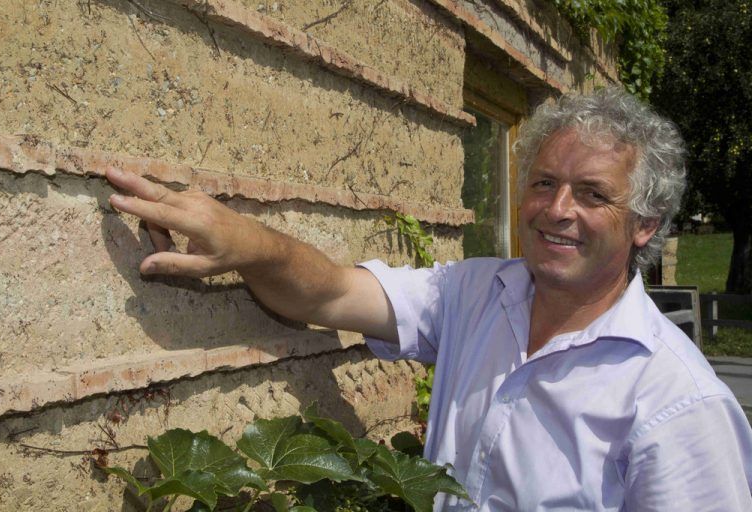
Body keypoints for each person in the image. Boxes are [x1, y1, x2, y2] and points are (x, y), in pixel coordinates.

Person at [106, 87, 752, 510]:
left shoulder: (678, 403)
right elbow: (330, 294)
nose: (557, 211)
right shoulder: (475, 293)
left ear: (645, 223)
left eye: (592, 194)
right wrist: (250, 243)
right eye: (544, 183)